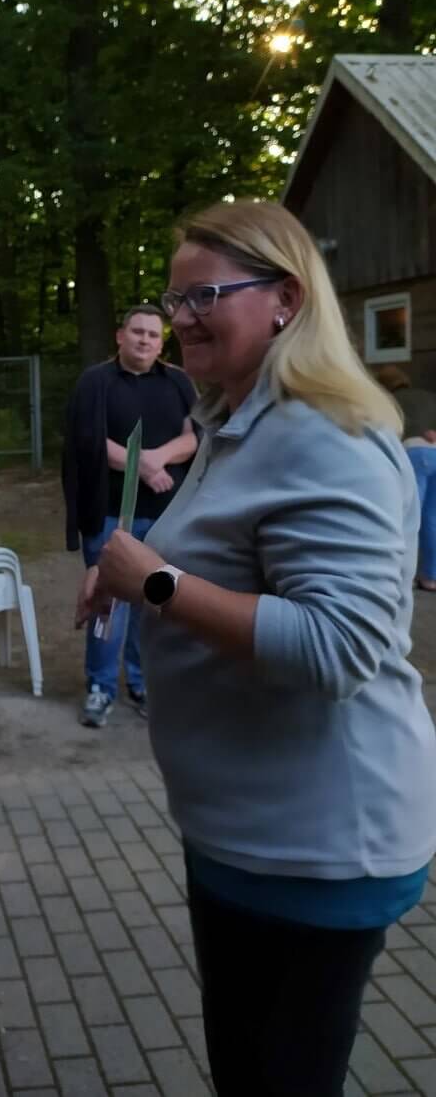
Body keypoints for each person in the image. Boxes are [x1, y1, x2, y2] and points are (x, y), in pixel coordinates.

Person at [79, 199, 436, 1097]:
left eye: (205, 295)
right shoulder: (237, 421)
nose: (180, 317)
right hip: (245, 833)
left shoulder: (326, 435)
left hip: (315, 846)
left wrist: (155, 582)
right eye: (175, 297)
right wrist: (134, 572)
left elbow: (340, 645)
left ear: (286, 298)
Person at [62, 304, 196, 727]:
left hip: (166, 516)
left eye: (153, 335)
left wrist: (157, 459)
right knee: (108, 602)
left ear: (162, 342)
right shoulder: (96, 382)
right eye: (137, 332)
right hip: (109, 514)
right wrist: (143, 467)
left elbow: (196, 437)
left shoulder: (178, 382)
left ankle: (143, 683)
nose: (144, 340)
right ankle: (100, 687)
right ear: (120, 336)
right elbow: (87, 439)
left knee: (155, 603)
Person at [375, 365, 436, 592]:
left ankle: (404, 577)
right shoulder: (428, 396)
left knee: (408, 518)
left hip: (413, 453)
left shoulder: (390, 401)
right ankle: (431, 577)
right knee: (432, 518)